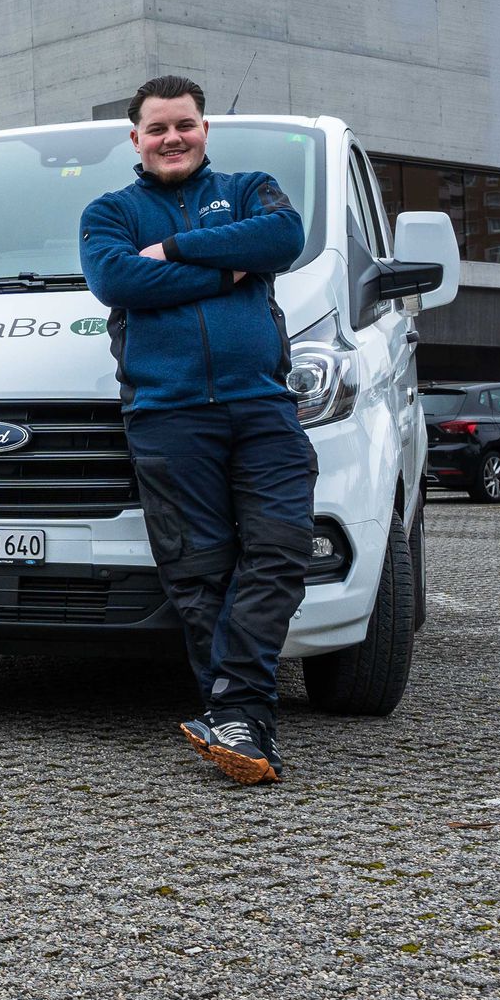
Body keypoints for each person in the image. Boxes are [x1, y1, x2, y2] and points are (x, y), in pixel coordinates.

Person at [79, 74, 313, 785]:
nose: (172, 137)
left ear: (205, 129)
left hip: (263, 407)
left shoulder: (250, 188)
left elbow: (284, 235)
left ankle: (234, 711)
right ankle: (243, 720)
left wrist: (175, 250)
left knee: (280, 550)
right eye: (157, 128)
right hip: (168, 416)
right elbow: (118, 281)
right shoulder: (109, 212)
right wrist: (227, 270)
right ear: (136, 139)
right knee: (200, 573)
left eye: (184, 124)